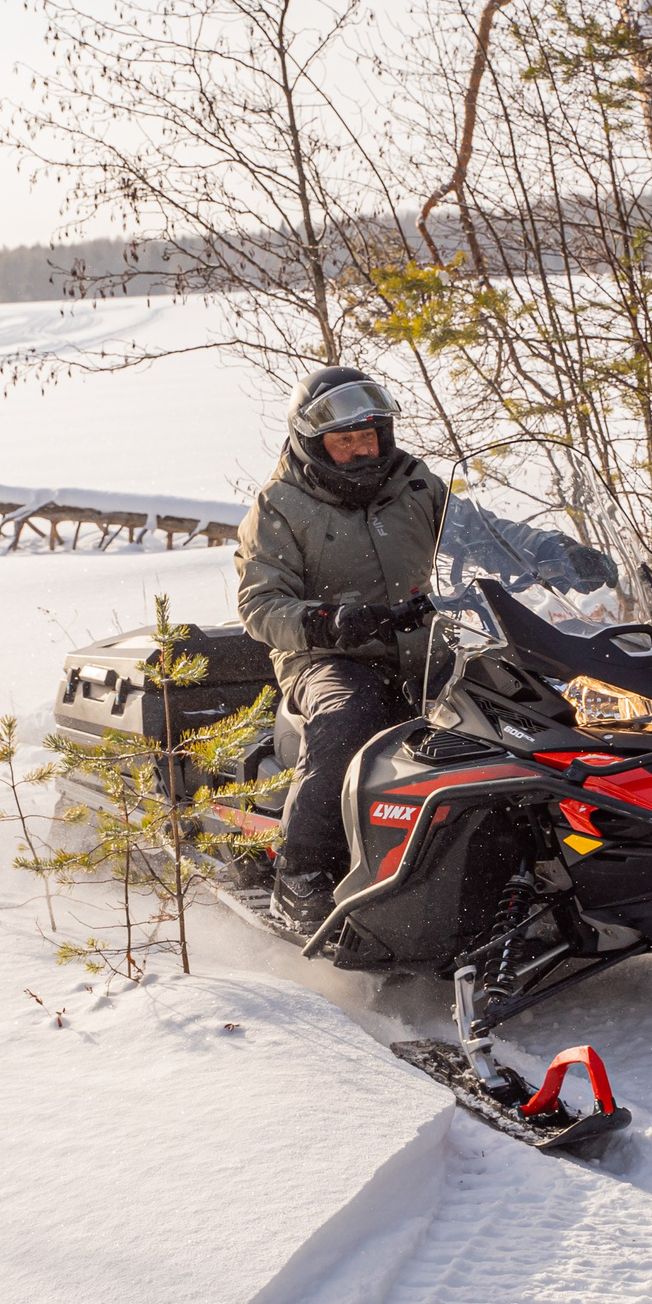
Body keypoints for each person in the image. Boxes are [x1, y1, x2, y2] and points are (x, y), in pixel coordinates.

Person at [234, 367, 457, 931]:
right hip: (325, 658)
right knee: (352, 718)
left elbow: (478, 533)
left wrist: (555, 554)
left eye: (369, 436)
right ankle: (301, 878)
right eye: (344, 440)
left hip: (423, 647)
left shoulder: (414, 482)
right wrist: (328, 622)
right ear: (315, 444)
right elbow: (260, 605)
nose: (361, 450)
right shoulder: (280, 504)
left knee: (512, 706)